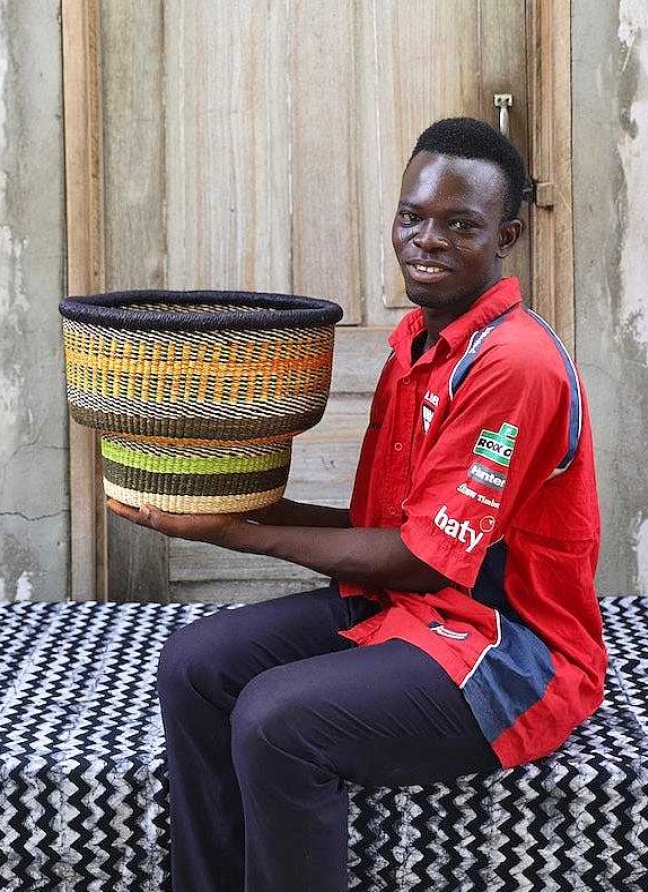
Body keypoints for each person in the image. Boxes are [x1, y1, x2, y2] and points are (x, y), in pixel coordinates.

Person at [109, 116, 607, 892]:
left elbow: (414, 557)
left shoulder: (516, 364)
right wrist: (220, 507)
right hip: (407, 609)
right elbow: (384, 533)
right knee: (194, 663)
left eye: (459, 224)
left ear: (507, 236)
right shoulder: (413, 341)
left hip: (505, 651)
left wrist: (238, 534)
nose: (426, 240)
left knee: (279, 720)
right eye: (412, 217)